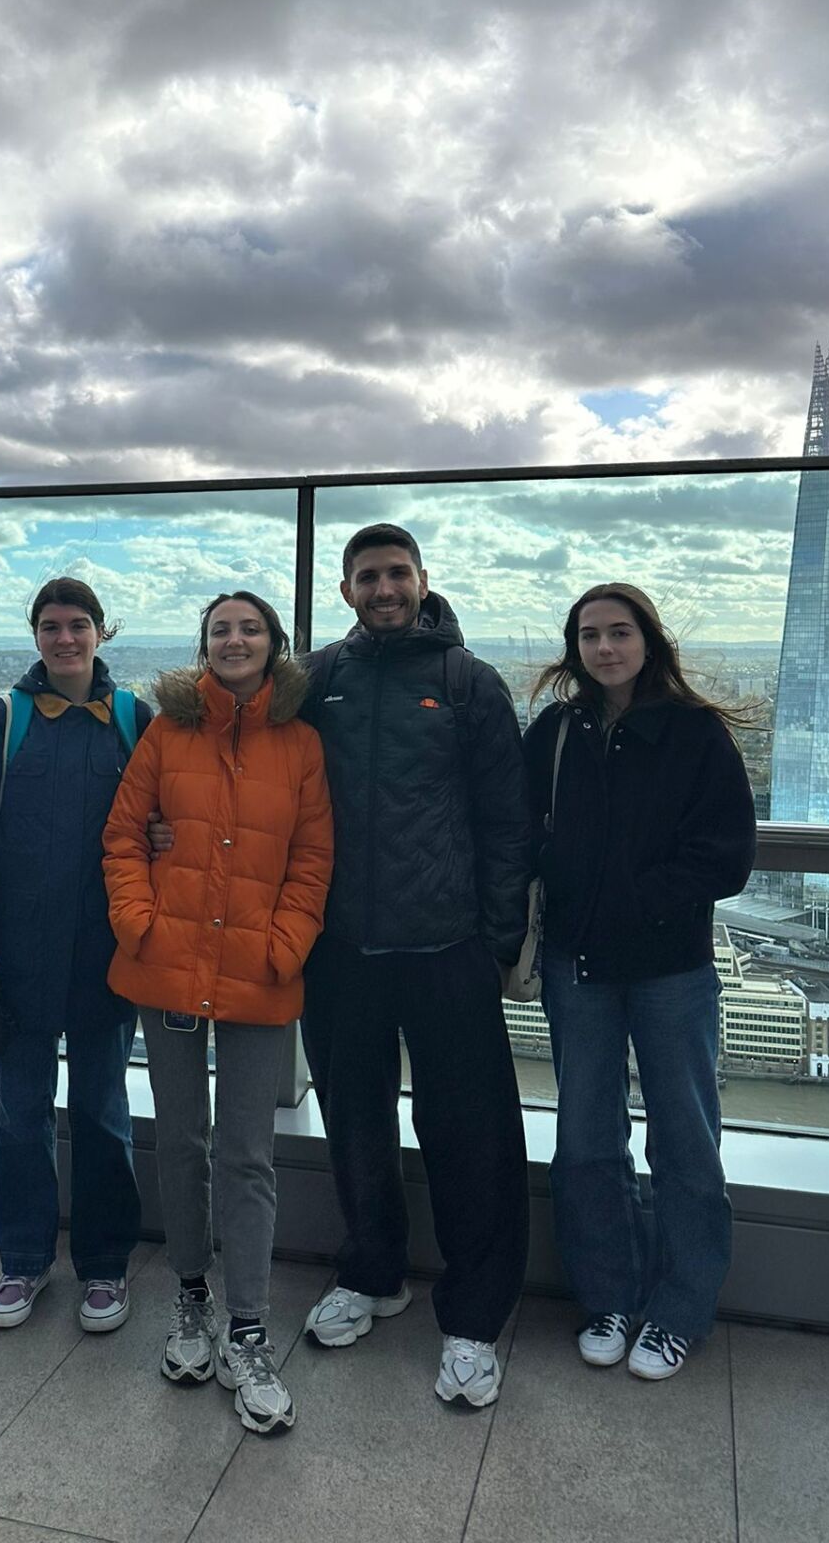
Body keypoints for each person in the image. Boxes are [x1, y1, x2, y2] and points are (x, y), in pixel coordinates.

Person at [296, 525, 531, 1410]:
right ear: (348, 590)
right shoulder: (321, 680)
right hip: (342, 950)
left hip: (447, 950)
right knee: (354, 1123)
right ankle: (372, 1271)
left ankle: (472, 1317)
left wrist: (496, 941)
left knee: (471, 1137)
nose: (384, 588)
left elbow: (507, 822)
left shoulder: (467, 681)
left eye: (397, 574)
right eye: (369, 577)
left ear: (423, 580)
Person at [103, 591, 332, 1437]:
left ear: (274, 645)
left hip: (259, 976)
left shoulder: (301, 743)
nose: (234, 640)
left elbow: (313, 857)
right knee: (182, 1144)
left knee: (248, 1155)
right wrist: (140, 923)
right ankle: (190, 1301)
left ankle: (248, 1328)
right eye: (220, 630)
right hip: (167, 968)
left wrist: (286, 943)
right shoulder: (168, 732)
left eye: (250, 629)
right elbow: (124, 836)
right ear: (204, 646)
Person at [524, 583, 756, 1381]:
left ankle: (680, 1311)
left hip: (671, 970)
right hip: (577, 969)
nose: (604, 648)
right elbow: (521, 830)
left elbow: (727, 855)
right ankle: (609, 1298)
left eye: (618, 633)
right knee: (586, 1141)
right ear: (574, 648)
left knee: (686, 1142)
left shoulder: (695, 734)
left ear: (649, 642)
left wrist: (634, 901)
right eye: (589, 635)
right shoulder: (556, 730)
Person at [0, 578, 151, 1335]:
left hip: (106, 956)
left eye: (79, 625)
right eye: (51, 626)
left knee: (103, 1115)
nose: (65, 638)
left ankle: (104, 1267)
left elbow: (165, 822)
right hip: (17, 963)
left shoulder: (132, 717)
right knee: (20, 1117)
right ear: (35, 635)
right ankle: (23, 1261)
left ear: (102, 633)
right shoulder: (6, 717)